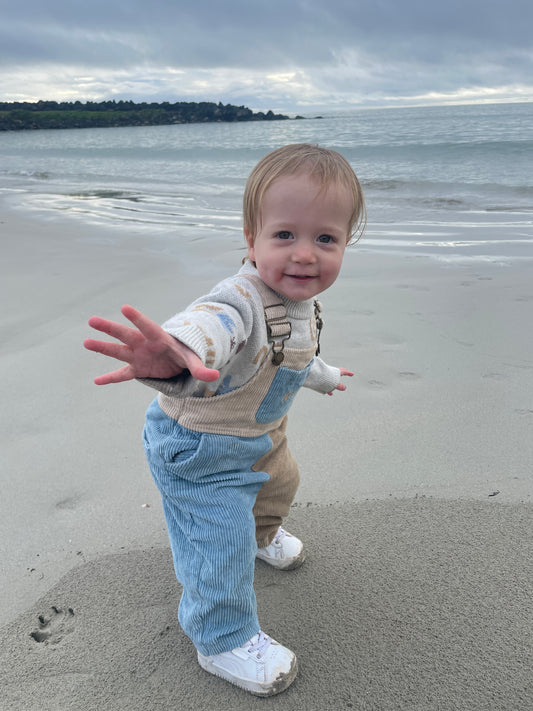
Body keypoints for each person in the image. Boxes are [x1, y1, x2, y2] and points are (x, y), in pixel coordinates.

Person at [84, 143, 365, 696]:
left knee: (280, 484)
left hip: (259, 435)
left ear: (345, 243)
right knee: (218, 543)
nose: (305, 254)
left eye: (325, 238)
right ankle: (222, 639)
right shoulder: (239, 298)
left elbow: (292, 354)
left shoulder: (300, 300)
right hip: (200, 449)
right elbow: (214, 326)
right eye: (285, 235)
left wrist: (324, 376)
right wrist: (178, 349)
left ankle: (263, 536)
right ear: (251, 237)